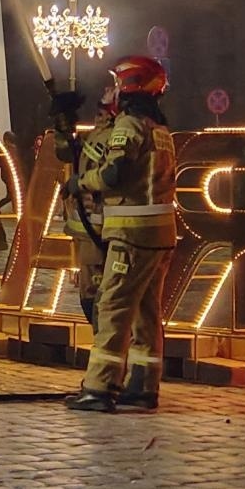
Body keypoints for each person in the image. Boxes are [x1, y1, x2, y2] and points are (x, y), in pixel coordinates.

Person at [66, 56, 176, 413]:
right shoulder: (160, 129)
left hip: (132, 234)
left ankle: (99, 388)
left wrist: (81, 182)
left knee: (113, 307)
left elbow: (114, 174)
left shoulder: (129, 125)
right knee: (146, 312)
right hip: (160, 234)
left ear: (130, 86)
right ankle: (143, 385)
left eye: (116, 83)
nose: (111, 90)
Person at [51, 85, 119, 329]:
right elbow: (69, 154)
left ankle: (106, 340)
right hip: (88, 229)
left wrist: (78, 183)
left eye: (103, 110)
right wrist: (63, 127)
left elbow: (108, 175)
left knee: (101, 294)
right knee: (89, 291)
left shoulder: (117, 137)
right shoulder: (97, 134)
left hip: (103, 228)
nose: (98, 116)